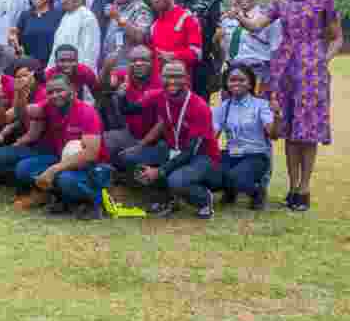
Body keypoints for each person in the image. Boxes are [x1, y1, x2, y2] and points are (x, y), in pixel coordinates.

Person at [233, 0, 342, 212]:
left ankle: (304, 188)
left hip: (312, 72)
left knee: (309, 130)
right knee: (290, 129)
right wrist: (239, 16)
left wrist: (322, 60)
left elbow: (337, 38)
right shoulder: (280, 3)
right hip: (284, 70)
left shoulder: (324, 1)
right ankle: (292, 187)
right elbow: (256, 26)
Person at [121, 61, 220, 219]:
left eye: (177, 76)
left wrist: (159, 171)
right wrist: (121, 95)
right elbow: (129, 110)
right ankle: (166, 198)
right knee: (129, 158)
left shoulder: (199, 107)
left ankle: (204, 199)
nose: (172, 81)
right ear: (161, 77)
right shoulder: (158, 96)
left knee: (176, 180)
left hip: (201, 156)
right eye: (168, 76)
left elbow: (190, 151)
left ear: (187, 78)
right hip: (173, 149)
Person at [6, 74, 111, 219]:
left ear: (71, 89)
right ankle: (57, 197)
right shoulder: (48, 106)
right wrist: (19, 93)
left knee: (65, 179)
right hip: (62, 159)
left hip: (91, 166)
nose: (55, 95)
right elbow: (20, 113)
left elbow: (91, 154)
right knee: (23, 168)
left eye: (59, 90)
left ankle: (94, 202)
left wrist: (53, 170)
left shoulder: (87, 112)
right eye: (50, 92)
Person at [205, 64, 282, 210]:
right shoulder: (223, 107)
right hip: (231, 154)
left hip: (256, 156)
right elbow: (212, 136)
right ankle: (230, 188)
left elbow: (274, 135)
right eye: (232, 80)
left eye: (242, 80)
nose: (237, 83)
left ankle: (257, 192)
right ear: (226, 84)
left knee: (235, 177)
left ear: (250, 83)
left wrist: (277, 116)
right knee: (209, 175)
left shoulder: (261, 105)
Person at [216, 0, 281, 97]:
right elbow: (224, 50)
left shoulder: (268, 19)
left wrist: (272, 83)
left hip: (259, 74)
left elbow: (276, 51)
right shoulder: (227, 20)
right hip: (232, 74)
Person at [99, 45, 163, 167]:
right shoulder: (124, 75)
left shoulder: (160, 83)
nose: (138, 63)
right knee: (102, 143)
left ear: (152, 62)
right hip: (130, 134)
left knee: (128, 159)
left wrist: (140, 145)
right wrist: (107, 67)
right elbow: (103, 85)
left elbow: (162, 123)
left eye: (144, 60)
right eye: (134, 60)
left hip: (156, 142)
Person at [172, 0, 222, 100]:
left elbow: (218, 39)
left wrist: (217, 70)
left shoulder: (211, 1)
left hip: (200, 67)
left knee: (198, 110)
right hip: (171, 66)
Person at [147, 0, 203, 79]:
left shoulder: (187, 18)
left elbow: (197, 54)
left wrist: (172, 55)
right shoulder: (154, 25)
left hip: (180, 82)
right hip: (158, 85)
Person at [102, 0, 154, 73]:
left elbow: (140, 37)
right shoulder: (116, 5)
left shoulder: (141, 9)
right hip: (111, 66)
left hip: (129, 68)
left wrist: (119, 18)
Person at [50, 0, 101, 72]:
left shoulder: (87, 17)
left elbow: (89, 55)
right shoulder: (66, 16)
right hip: (61, 75)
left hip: (78, 76)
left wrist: (80, 78)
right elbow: (56, 49)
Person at [15, 0, 64, 67]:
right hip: (29, 65)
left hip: (52, 64)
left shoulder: (59, 15)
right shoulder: (25, 15)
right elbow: (17, 41)